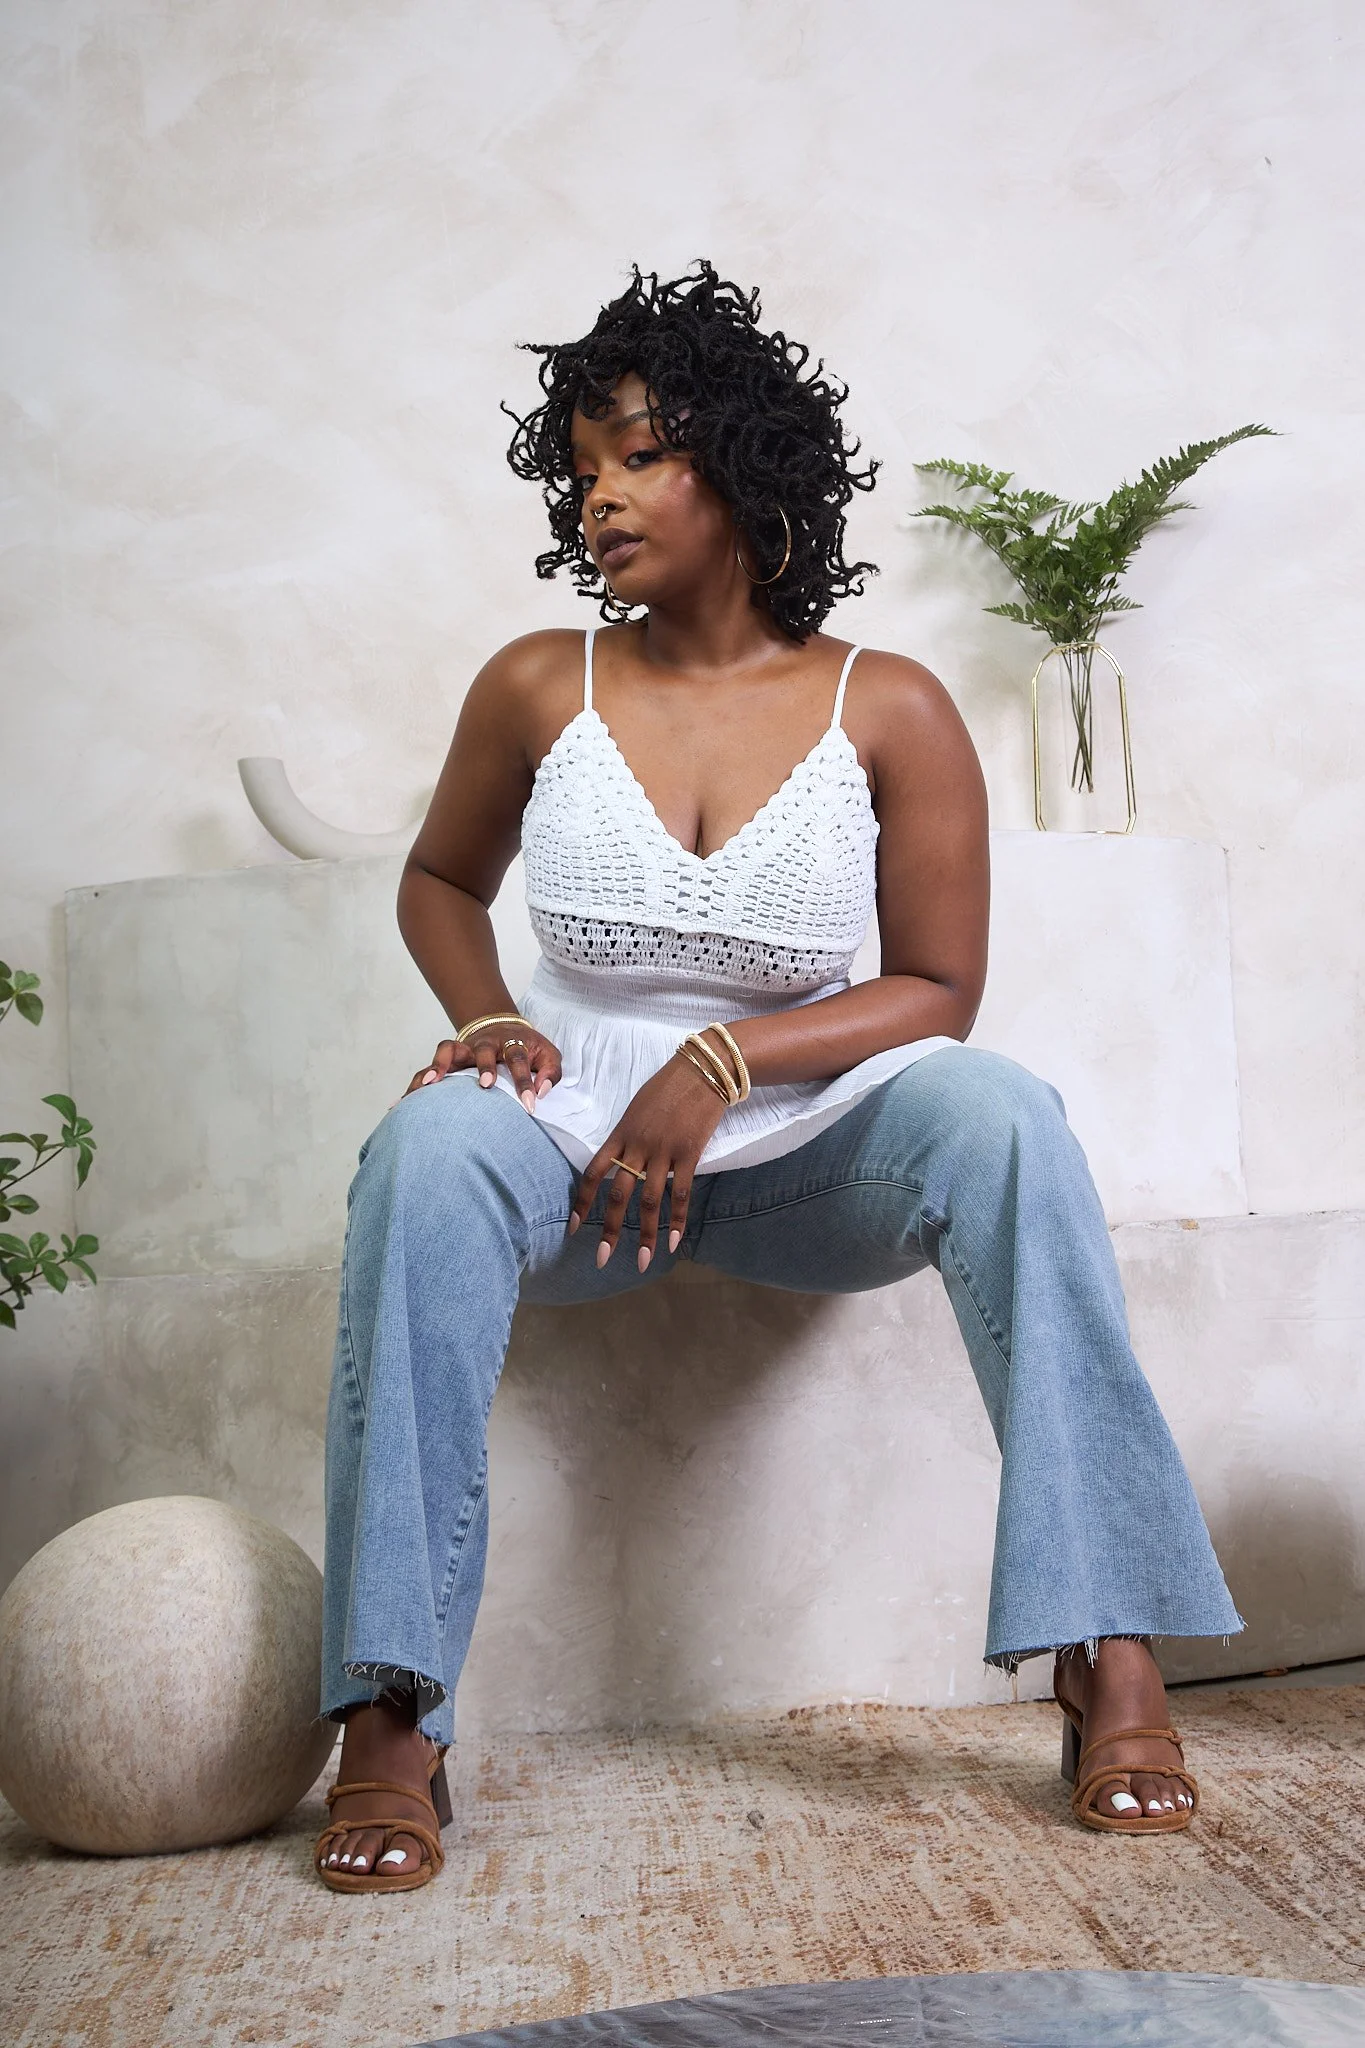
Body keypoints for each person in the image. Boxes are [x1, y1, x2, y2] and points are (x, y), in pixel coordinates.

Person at [313, 264, 1241, 1894]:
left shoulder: (888, 704)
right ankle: (398, 1709)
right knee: (421, 1156)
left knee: (1005, 1116)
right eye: (583, 462)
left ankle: (1110, 1645)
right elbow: (436, 885)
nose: (599, 493)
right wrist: (482, 1026)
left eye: (643, 453)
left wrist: (727, 1056)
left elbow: (939, 990)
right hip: (580, 1148)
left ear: (741, 469)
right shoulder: (541, 682)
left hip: (814, 1149)